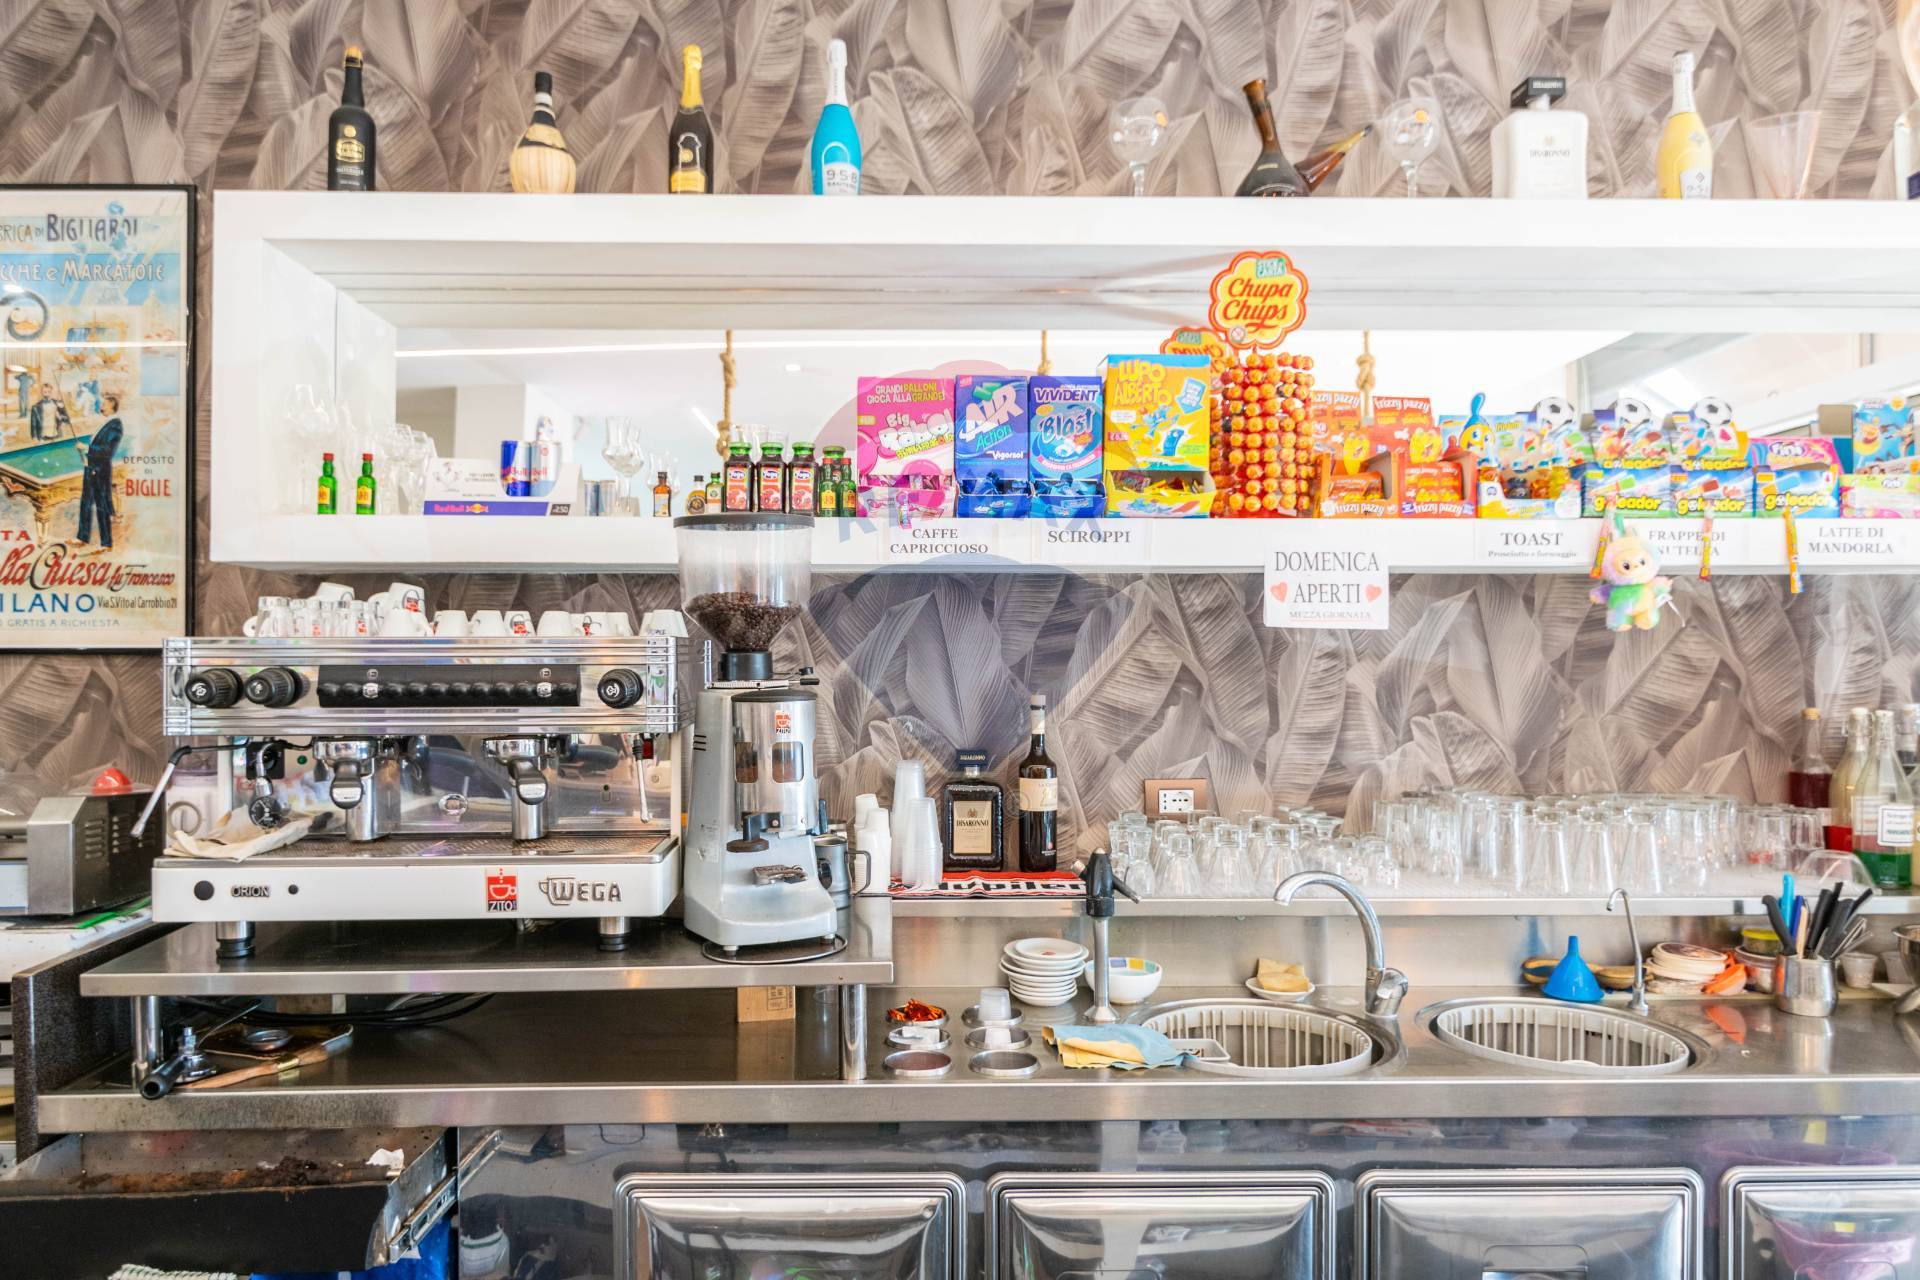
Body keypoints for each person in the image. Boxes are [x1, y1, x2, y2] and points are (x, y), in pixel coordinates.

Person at [76, 393, 122, 549]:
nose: (101, 406)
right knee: (85, 503)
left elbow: (107, 451)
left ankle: (106, 543)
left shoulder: (115, 425)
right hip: (91, 468)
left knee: (101, 506)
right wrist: (86, 453)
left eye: (104, 404)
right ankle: (82, 538)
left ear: (112, 406)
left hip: (101, 471)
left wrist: (86, 448)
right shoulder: (105, 423)